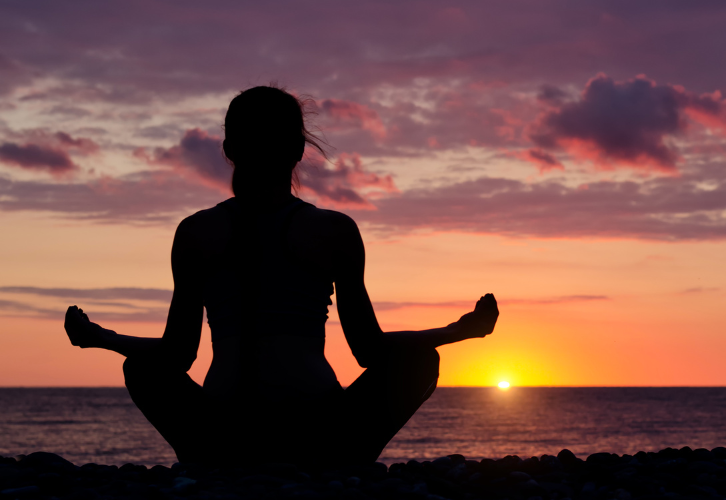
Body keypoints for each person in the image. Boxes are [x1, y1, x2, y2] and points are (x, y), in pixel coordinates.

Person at [63, 86, 499, 466]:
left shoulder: (196, 231)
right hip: (321, 435)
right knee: (421, 360)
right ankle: (338, 465)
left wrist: (100, 337)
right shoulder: (334, 231)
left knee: (144, 369)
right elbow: (371, 350)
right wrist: (457, 332)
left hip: (221, 435)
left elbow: (177, 356)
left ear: (229, 149)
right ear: (298, 150)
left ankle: (214, 464)